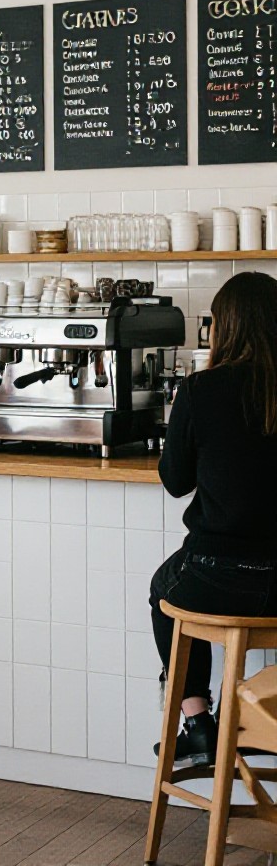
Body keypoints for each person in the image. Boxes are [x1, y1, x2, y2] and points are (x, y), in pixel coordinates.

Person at [149, 271, 277, 767]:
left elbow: (175, 480)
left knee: (164, 590)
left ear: (224, 328)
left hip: (218, 576)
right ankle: (241, 722)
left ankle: (199, 722)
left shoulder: (202, 389)